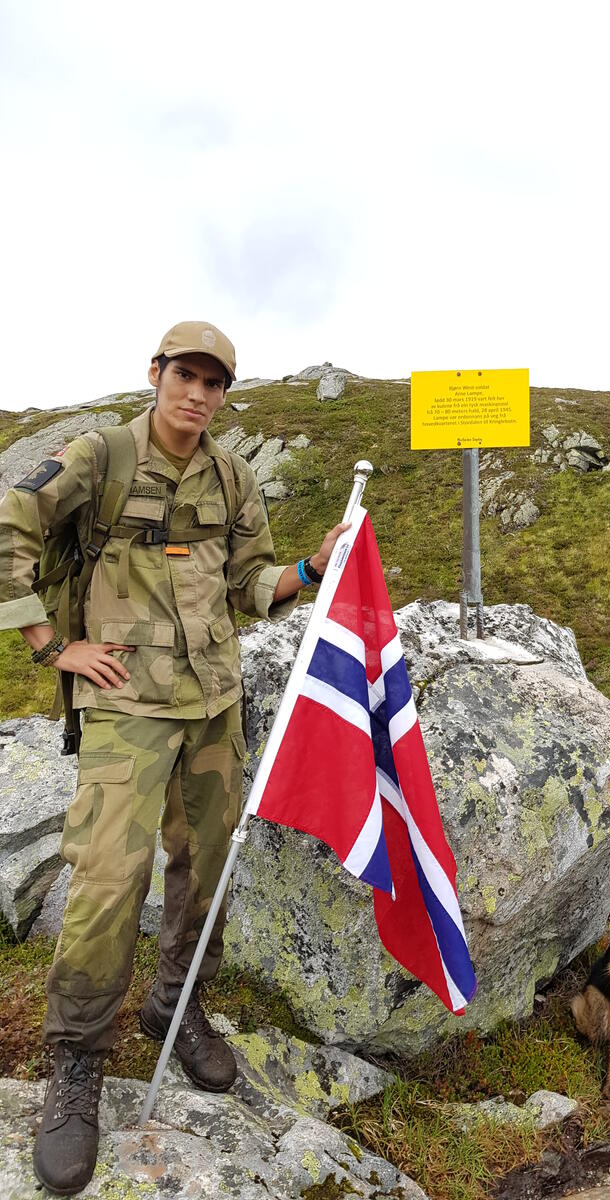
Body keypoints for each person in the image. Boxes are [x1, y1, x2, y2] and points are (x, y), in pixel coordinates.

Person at [0, 321, 348, 1195]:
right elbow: (8, 528)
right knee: (109, 879)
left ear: (224, 394)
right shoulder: (100, 457)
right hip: (125, 704)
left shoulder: (232, 476)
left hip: (213, 705)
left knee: (206, 867)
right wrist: (52, 647)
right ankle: (77, 1060)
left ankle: (177, 1006)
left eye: (213, 382)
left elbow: (250, 583)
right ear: (155, 374)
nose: (197, 393)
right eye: (184, 375)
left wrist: (310, 568)